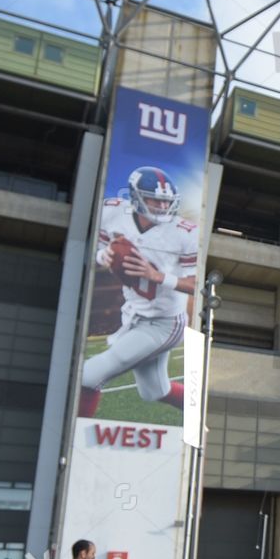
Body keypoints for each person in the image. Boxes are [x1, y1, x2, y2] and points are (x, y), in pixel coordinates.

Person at [78, 168, 198, 418]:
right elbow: (94, 248)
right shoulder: (112, 212)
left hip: (164, 322)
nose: (163, 206)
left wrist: (158, 277)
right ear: (135, 196)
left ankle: (77, 438)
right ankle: (201, 412)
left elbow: (198, 284)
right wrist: (104, 255)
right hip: (133, 314)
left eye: (167, 201)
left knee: (89, 374)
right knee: (154, 390)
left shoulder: (184, 233)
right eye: (156, 199)